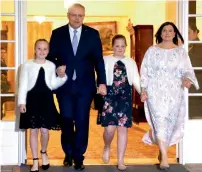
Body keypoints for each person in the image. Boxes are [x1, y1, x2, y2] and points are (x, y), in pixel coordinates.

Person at [46, 3, 107, 170]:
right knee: (66, 120)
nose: (77, 18)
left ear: (84, 16)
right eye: (74, 15)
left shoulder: (92, 35)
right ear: (68, 15)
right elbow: (50, 59)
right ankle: (68, 152)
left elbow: (98, 60)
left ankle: (79, 156)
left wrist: (101, 81)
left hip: (85, 87)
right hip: (64, 86)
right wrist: (56, 68)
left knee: (81, 120)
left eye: (81, 15)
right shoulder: (57, 34)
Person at [140, 22, 199, 170]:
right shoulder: (151, 51)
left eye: (170, 30)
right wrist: (143, 89)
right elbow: (145, 71)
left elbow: (187, 70)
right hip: (155, 92)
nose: (167, 33)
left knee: (170, 124)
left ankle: (162, 150)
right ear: (160, 33)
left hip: (174, 93)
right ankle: (165, 158)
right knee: (159, 121)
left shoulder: (180, 52)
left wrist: (187, 79)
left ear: (175, 34)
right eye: (164, 30)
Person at [18, 39, 67, 172]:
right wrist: (22, 102)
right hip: (31, 100)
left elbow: (52, 84)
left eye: (45, 49)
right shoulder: (27, 65)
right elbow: (22, 84)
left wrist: (63, 77)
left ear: (48, 51)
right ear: (35, 49)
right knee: (33, 130)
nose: (42, 51)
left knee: (45, 131)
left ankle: (43, 152)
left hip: (46, 101)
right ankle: (35, 160)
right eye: (39, 49)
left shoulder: (51, 65)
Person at [100, 34, 140, 171]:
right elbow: (99, 76)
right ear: (112, 46)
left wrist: (143, 93)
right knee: (110, 129)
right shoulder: (105, 60)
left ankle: (121, 160)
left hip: (125, 97)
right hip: (109, 96)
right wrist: (98, 87)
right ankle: (106, 146)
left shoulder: (131, 62)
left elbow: (136, 80)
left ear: (126, 47)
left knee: (122, 129)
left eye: (123, 46)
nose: (120, 48)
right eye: (117, 45)